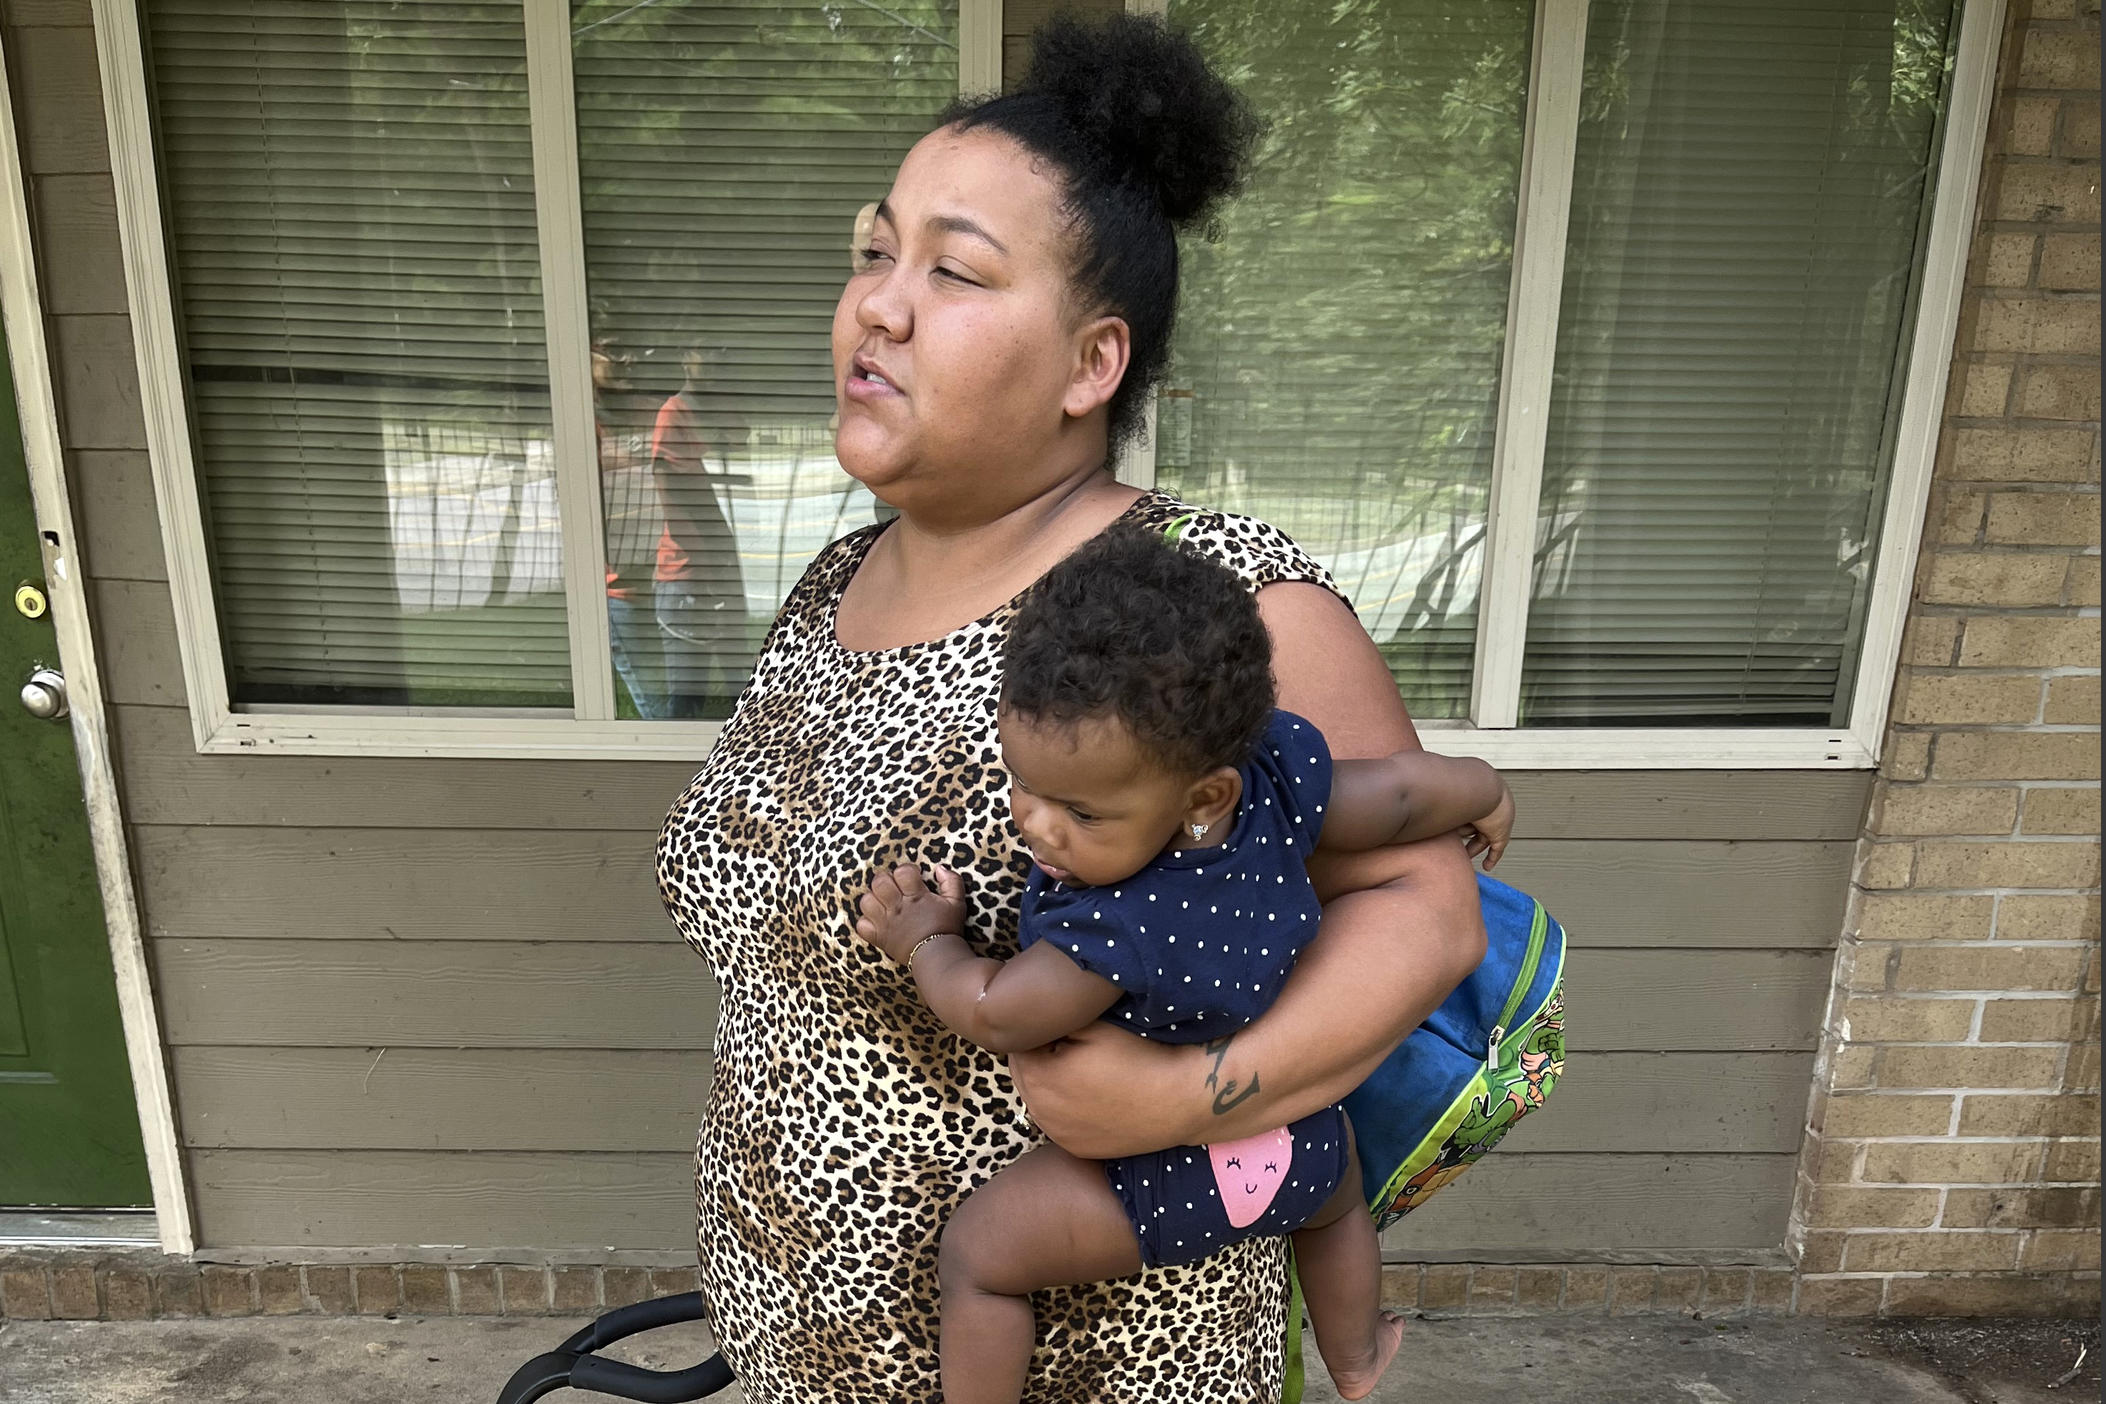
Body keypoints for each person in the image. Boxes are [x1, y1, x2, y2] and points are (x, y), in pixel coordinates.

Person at [655, 14, 1485, 1400]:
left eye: (952, 270)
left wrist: (1178, 1100)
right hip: (798, 1341)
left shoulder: (1216, 599)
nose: (878, 302)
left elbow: (1424, 909)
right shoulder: (832, 586)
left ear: (1089, 366)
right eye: (874, 248)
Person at [853, 527, 1514, 1404]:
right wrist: (1486, 789)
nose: (1038, 827)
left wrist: (927, 940)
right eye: (1023, 782)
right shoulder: (1272, 775)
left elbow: (999, 1011)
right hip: (1309, 1142)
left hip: (1168, 1170)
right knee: (1340, 1207)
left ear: (1205, 795)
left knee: (981, 1253)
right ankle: (1355, 1358)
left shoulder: (1120, 921)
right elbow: (1397, 795)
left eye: (1081, 813)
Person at [648, 346, 746, 717]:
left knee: (741, 687)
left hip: (716, 567)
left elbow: (740, 440)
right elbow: (668, 486)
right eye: (704, 351)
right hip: (690, 574)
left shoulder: (714, 408)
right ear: (685, 357)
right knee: (688, 701)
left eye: (719, 352)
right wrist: (705, 564)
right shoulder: (673, 413)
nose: (713, 359)